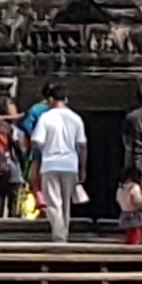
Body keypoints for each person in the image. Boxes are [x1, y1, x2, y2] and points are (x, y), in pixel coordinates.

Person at [31, 86, 88, 242]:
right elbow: (82, 145)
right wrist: (82, 168)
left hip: (50, 164)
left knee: (53, 203)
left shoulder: (46, 118)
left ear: (50, 100)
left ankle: (59, 236)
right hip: (70, 164)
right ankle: (63, 233)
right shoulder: (76, 118)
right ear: (66, 99)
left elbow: (37, 142)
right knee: (65, 204)